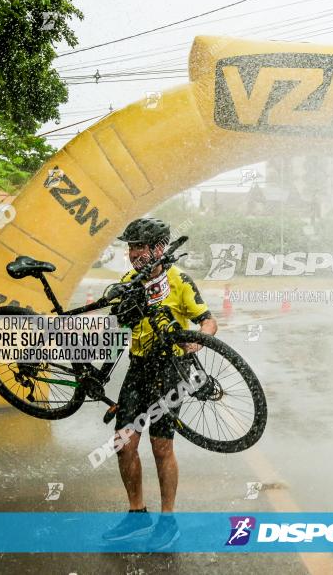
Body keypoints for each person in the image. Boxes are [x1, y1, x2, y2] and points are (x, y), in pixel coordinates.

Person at [102, 217, 218, 549]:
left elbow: (209, 321)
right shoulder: (127, 282)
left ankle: (168, 521)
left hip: (170, 369)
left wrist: (197, 339)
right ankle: (136, 514)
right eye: (130, 247)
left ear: (157, 249)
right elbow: (116, 332)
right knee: (123, 444)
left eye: (140, 246)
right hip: (138, 369)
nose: (134, 253)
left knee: (161, 446)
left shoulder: (179, 279)